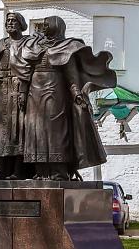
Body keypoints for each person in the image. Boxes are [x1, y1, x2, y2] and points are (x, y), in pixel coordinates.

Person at [19, 16, 116, 180]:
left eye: (46, 24)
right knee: (35, 131)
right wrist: (22, 93)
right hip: (34, 95)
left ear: (56, 26)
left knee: (56, 132)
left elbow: (72, 76)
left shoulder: (67, 47)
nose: (43, 27)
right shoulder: (34, 46)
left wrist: (77, 94)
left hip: (55, 94)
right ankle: (41, 171)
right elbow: (25, 73)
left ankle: (58, 171)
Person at [0, 11, 33, 179]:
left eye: (13, 21)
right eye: (8, 21)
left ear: (21, 24)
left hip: (20, 90)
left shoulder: (27, 44)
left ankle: (18, 171)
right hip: (1, 91)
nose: (10, 23)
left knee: (19, 129)